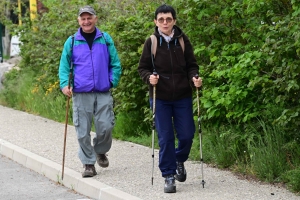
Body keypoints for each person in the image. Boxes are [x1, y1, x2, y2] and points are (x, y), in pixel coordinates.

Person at [138, 4, 202, 193]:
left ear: (174, 20)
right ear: (156, 22)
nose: (165, 22)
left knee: (187, 135)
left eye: (168, 19)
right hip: (160, 98)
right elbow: (143, 68)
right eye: (161, 19)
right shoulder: (152, 42)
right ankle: (168, 175)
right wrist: (149, 78)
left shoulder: (182, 40)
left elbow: (192, 65)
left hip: (182, 96)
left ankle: (179, 159)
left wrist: (195, 78)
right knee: (165, 138)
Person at [59, 5, 122, 178]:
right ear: (79, 20)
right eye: (83, 18)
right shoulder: (71, 41)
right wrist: (65, 85)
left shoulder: (105, 39)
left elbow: (115, 64)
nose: (86, 21)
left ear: (95, 18)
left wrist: (111, 81)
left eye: (89, 17)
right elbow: (64, 66)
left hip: (103, 91)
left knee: (106, 126)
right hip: (80, 92)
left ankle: (100, 150)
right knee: (82, 130)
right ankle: (88, 164)